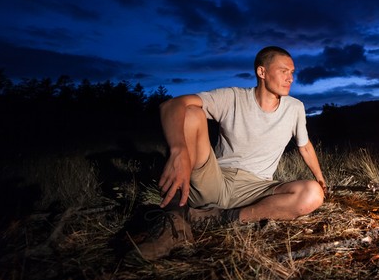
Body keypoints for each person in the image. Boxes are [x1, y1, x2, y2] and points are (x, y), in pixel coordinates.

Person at [135, 46, 327, 260]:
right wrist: (178, 149)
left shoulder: (295, 108)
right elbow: (171, 105)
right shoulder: (232, 97)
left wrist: (319, 178)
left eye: (292, 72)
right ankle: (174, 221)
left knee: (312, 194)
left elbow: (305, 145)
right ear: (262, 72)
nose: (290, 78)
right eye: (283, 71)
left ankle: (220, 218)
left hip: (257, 187)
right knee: (191, 113)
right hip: (216, 180)